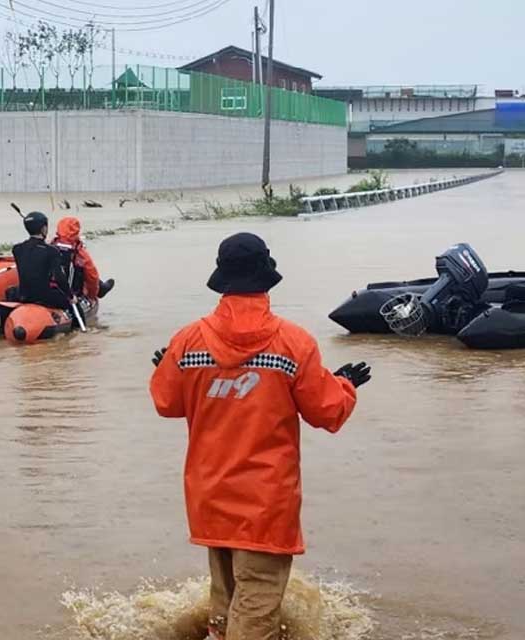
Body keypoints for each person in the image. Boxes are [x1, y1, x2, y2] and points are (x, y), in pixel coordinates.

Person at [148, 232, 371, 640]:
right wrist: (345, 385)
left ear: (222, 279)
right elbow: (328, 411)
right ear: (266, 280)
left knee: (226, 599)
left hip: (210, 495)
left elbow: (167, 401)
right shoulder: (293, 343)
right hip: (265, 503)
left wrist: (167, 367)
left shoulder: (188, 341)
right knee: (258, 604)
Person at [12, 211, 72, 310]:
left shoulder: (17, 249)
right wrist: (70, 296)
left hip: (24, 295)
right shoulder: (51, 251)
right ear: (44, 229)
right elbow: (59, 277)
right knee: (75, 306)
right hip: (45, 297)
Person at [51, 216, 115, 302]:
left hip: (47, 292)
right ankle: (100, 289)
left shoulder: (48, 247)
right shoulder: (80, 253)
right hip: (72, 295)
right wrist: (92, 296)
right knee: (84, 271)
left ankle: (101, 287)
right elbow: (92, 277)